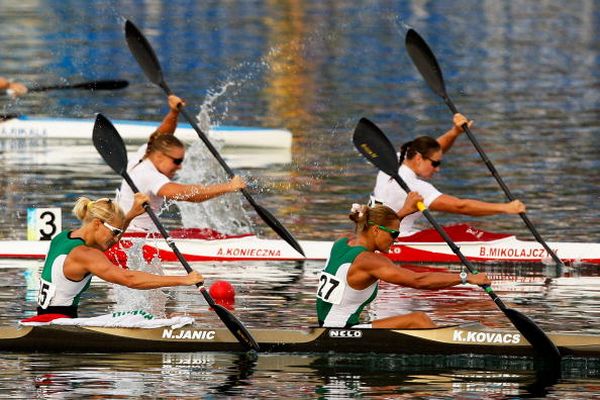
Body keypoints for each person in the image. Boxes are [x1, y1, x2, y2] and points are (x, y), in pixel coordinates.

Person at [316, 201, 491, 329]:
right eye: (394, 234)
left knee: (417, 320)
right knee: (418, 320)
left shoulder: (342, 241)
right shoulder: (370, 261)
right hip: (341, 332)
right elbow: (419, 280)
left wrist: (403, 212)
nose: (396, 239)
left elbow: (373, 227)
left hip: (328, 328)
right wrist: (466, 278)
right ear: (376, 230)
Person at [36, 194, 204, 318]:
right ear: (97, 224)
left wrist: (131, 214)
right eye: (115, 232)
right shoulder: (86, 254)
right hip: (61, 325)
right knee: (140, 317)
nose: (117, 239)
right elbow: (129, 278)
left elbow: (106, 243)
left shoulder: (63, 238)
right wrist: (184, 280)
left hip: (45, 318)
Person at [370, 113, 525, 236]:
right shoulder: (415, 187)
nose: (437, 169)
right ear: (418, 158)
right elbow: (461, 206)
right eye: (435, 164)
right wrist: (505, 208)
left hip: (376, 234)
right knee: (463, 232)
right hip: (398, 240)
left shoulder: (392, 162)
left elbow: (435, 150)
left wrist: (455, 132)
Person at [116, 94, 246, 231]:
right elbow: (186, 193)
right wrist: (229, 187)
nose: (180, 166)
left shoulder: (145, 153)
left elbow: (161, 136)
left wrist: (174, 112)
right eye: (176, 161)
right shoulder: (150, 176)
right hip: (136, 238)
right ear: (159, 156)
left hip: (129, 232)